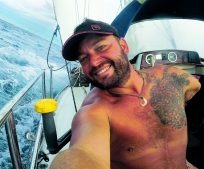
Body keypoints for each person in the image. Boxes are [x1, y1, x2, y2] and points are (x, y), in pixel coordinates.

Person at [50, 19, 201, 169]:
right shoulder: (94, 112)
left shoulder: (170, 77)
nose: (94, 62)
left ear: (124, 46)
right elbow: (82, 153)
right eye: (83, 58)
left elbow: (196, 87)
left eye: (101, 47)